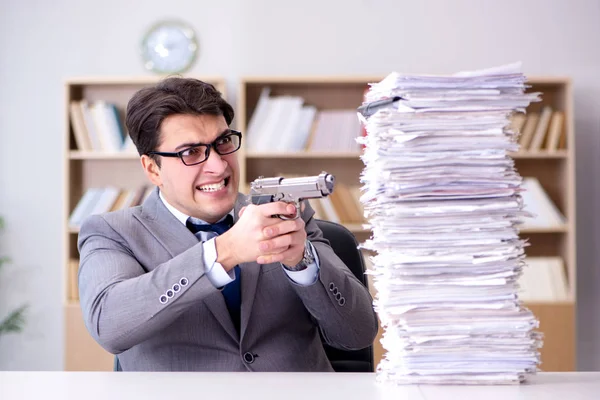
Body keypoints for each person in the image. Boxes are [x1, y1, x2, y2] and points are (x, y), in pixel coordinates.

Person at [77, 77, 378, 372]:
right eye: (190, 152)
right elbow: (109, 325)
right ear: (152, 168)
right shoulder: (112, 232)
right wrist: (224, 252)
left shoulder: (285, 214)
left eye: (222, 142)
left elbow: (358, 334)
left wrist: (303, 262)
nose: (219, 166)